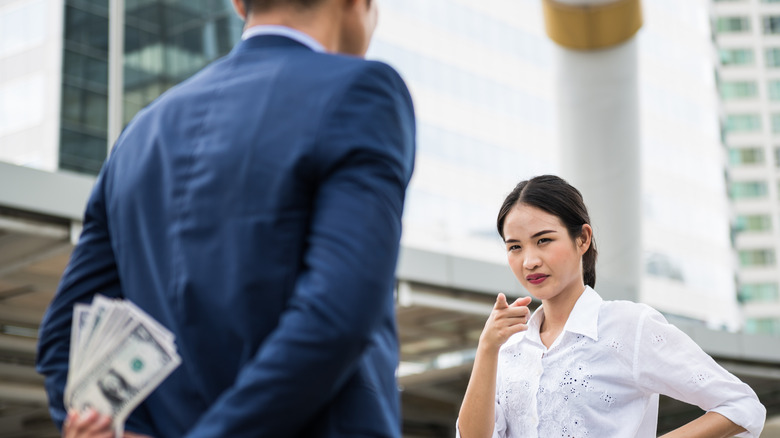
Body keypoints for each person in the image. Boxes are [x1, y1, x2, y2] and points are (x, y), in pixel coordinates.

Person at [36, 0, 416, 436]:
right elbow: (338, 316)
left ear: (238, 2)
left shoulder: (141, 132)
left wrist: (121, 428)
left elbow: (65, 336)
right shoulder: (363, 90)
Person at [457, 175, 765, 438]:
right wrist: (487, 347)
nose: (530, 261)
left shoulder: (628, 326)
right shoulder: (509, 346)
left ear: (583, 239)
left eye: (544, 240)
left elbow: (741, 405)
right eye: (515, 247)